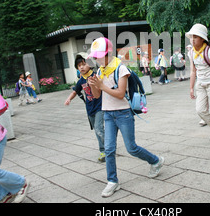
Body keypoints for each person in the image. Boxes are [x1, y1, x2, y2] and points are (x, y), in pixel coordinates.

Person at [87, 37, 164, 198]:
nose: (96, 59)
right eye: (95, 56)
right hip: (108, 113)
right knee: (109, 149)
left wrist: (101, 86)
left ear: (108, 54)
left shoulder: (121, 69)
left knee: (131, 148)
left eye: (98, 55)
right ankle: (112, 181)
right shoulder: (100, 71)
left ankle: (155, 160)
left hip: (123, 113)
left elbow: (121, 94)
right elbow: (96, 95)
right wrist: (94, 85)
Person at [186, 24, 210, 147]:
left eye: (196, 37)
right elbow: (193, 71)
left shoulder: (209, 51)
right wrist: (191, 87)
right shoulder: (191, 52)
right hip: (200, 84)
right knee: (200, 110)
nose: (193, 40)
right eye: (192, 37)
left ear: (202, 39)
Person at [65, 55, 105, 162]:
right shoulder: (81, 80)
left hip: (100, 107)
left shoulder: (95, 75)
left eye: (84, 64)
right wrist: (69, 99)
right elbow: (75, 91)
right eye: (79, 66)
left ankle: (104, 151)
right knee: (98, 130)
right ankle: (108, 145)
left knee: (98, 129)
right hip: (90, 108)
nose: (81, 67)